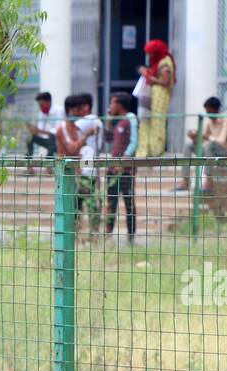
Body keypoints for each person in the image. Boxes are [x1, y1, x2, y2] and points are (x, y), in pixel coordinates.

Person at [56, 94, 101, 233]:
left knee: (93, 203)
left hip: (81, 172)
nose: (81, 113)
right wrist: (86, 136)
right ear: (70, 110)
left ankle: (93, 235)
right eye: (78, 109)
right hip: (68, 174)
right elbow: (71, 149)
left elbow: (81, 152)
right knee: (73, 207)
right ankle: (72, 235)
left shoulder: (76, 128)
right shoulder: (62, 127)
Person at [179, 96, 227, 191]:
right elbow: (203, 140)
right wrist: (195, 137)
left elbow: (221, 141)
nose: (208, 114)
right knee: (188, 146)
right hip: (214, 152)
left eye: (210, 111)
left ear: (216, 110)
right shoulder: (209, 123)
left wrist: (207, 137)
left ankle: (208, 180)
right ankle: (185, 180)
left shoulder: (226, 121)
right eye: (207, 112)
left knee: (209, 145)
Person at [104, 92, 137, 243]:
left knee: (129, 203)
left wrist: (123, 161)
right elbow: (108, 138)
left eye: (112, 103)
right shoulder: (117, 122)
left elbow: (134, 142)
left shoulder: (130, 118)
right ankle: (108, 235)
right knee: (111, 203)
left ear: (119, 104)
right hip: (112, 169)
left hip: (125, 170)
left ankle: (131, 237)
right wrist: (109, 120)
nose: (110, 106)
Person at [135, 39, 175, 157]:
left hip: (160, 96)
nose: (150, 56)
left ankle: (155, 150)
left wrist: (150, 78)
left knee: (157, 122)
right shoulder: (157, 62)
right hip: (152, 94)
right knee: (147, 120)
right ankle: (147, 149)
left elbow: (165, 81)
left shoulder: (164, 63)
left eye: (151, 53)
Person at [27, 91, 61, 166]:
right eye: (39, 105)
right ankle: (28, 163)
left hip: (58, 143)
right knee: (29, 137)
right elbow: (40, 129)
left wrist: (40, 131)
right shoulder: (41, 113)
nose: (40, 107)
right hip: (48, 141)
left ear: (48, 102)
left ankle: (48, 164)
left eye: (42, 105)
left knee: (52, 137)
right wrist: (34, 130)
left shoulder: (59, 111)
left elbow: (58, 131)